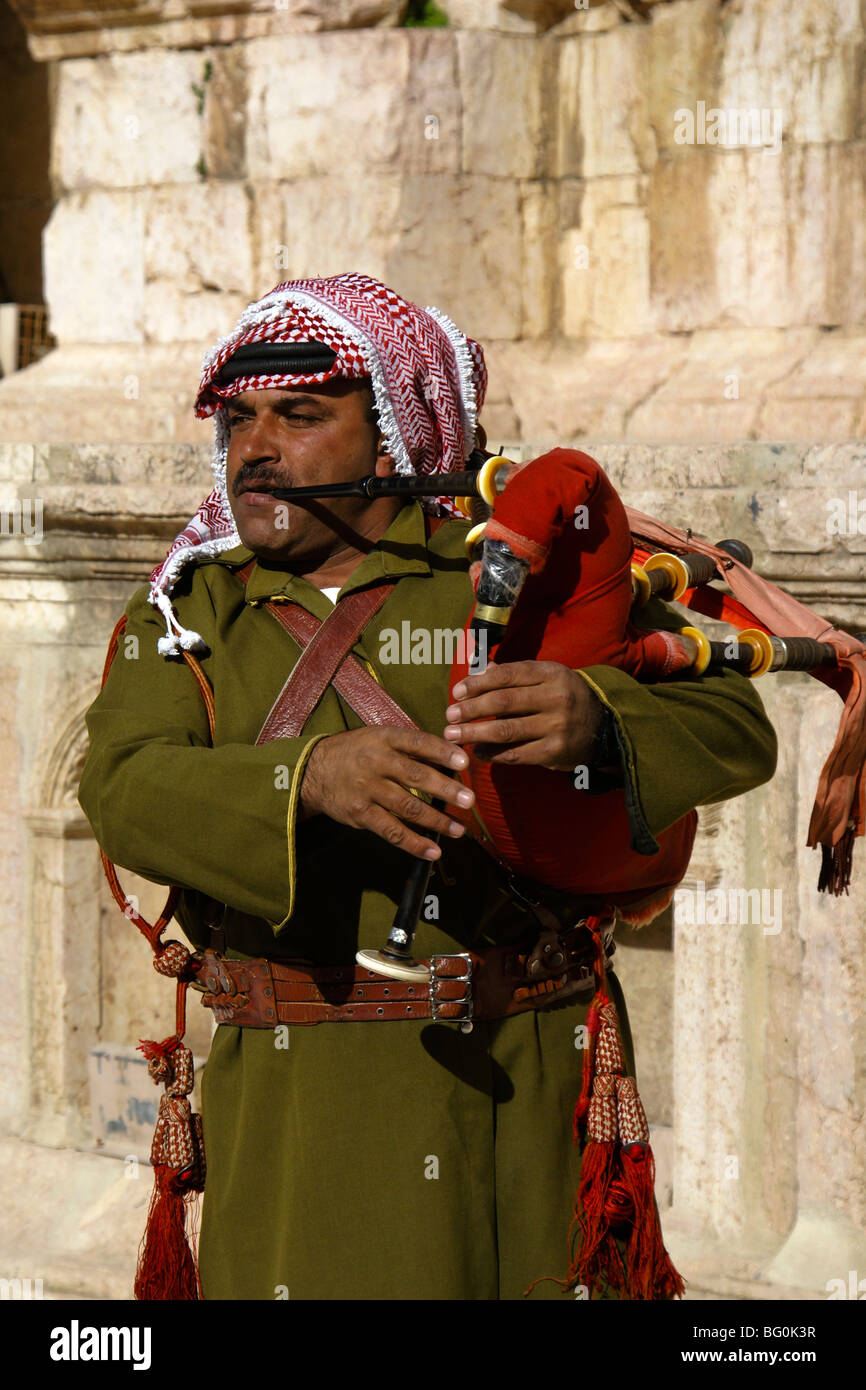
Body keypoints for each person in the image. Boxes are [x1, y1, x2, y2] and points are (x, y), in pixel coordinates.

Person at [78, 273, 778, 1300]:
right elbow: (122, 786)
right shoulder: (186, 613)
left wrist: (595, 717)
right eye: (236, 420)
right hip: (295, 1116)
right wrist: (305, 778)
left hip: (521, 1081)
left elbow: (734, 724)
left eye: (300, 414)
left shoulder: (515, 576)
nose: (254, 447)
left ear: (397, 435)